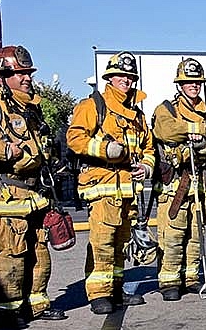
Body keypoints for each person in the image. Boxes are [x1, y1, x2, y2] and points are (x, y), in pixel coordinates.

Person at [0, 45, 67, 329]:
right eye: (20, 73)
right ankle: (5, 311)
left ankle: (37, 304)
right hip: (4, 196)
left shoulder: (30, 106)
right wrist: (4, 150)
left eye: (28, 73)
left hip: (34, 194)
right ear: (2, 76)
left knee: (37, 252)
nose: (27, 78)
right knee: (6, 256)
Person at [66, 51, 155, 314]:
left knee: (121, 242)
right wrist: (105, 149)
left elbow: (149, 147)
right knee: (103, 240)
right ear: (110, 78)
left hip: (128, 188)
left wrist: (147, 166)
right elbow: (75, 138)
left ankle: (116, 289)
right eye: (120, 76)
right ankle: (98, 294)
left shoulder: (136, 114)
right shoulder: (93, 106)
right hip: (102, 186)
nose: (125, 81)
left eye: (129, 77)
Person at [151, 58, 206, 301]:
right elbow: (166, 130)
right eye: (188, 82)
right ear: (179, 85)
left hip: (199, 183)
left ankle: (192, 277)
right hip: (173, 184)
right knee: (173, 235)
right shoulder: (167, 109)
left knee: (196, 234)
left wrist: (205, 146)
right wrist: (200, 131)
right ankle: (169, 281)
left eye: (197, 82)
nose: (193, 85)